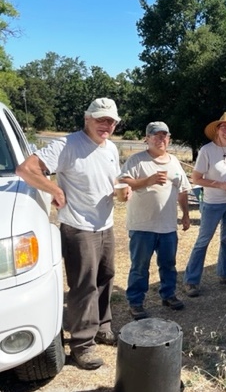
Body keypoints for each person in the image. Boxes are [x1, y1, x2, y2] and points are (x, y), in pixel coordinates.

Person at [16, 98, 121, 370]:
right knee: (83, 285)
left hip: (105, 224)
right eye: (101, 119)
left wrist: (124, 189)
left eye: (111, 121)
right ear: (87, 118)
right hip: (78, 227)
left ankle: (102, 327)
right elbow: (26, 169)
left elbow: (112, 180)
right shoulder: (67, 144)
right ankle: (82, 344)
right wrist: (55, 190)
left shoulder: (110, 148)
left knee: (105, 278)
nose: (106, 125)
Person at [118, 121, 191, 320]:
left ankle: (168, 295)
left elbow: (183, 190)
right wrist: (147, 181)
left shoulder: (174, 162)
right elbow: (123, 182)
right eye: (156, 135)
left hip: (168, 226)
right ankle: (135, 302)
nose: (161, 139)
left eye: (164, 136)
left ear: (169, 138)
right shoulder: (137, 160)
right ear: (147, 138)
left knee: (168, 264)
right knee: (140, 266)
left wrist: (185, 215)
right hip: (142, 225)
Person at [184, 112, 226, 296]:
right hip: (213, 203)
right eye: (224, 127)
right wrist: (219, 184)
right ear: (217, 129)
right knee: (203, 241)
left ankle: (225, 274)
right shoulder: (206, 150)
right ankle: (191, 281)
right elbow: (196, 178)